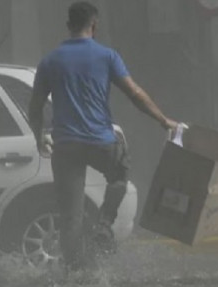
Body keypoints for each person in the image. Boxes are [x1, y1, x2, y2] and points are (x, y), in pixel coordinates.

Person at [28, 1, 183, 273]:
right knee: (120, 177)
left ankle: (75, 274)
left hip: (66, 146)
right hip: (101, 141)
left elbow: (35, 107)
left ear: (68, 26)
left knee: (70, 217)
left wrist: (39, 136)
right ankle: (103, 224)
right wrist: (163, 120)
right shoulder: (107, 56)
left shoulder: (49, 61)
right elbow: (135, 94)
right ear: (94, 25)